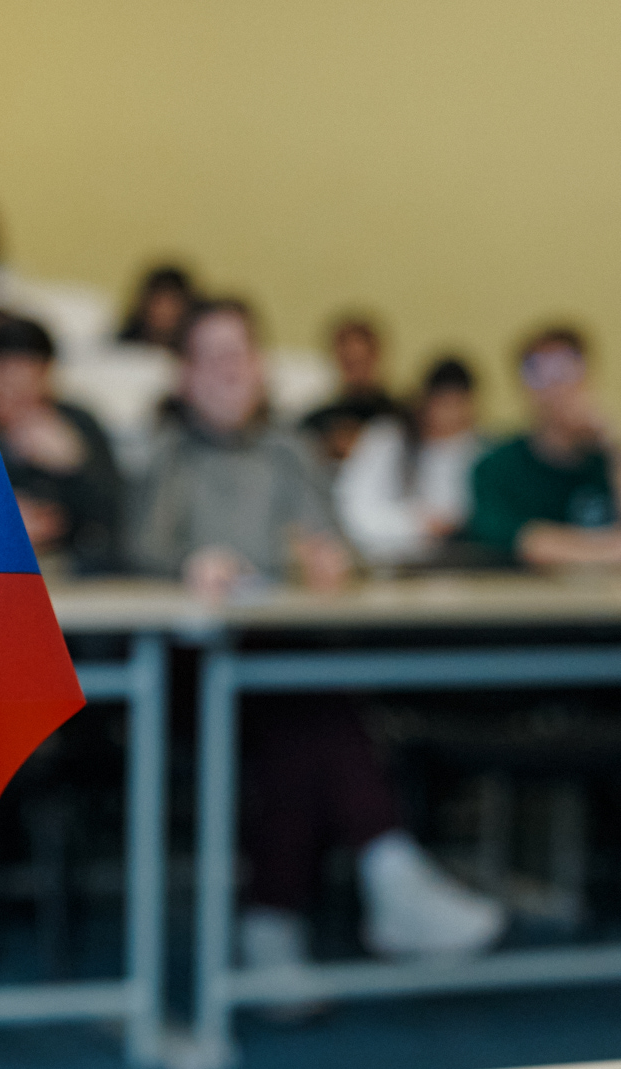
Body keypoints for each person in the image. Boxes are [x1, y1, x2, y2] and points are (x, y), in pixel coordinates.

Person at [134, 297, 504, 985]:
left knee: (300, 719)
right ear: (184, 374)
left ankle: (276, 925)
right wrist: (187, 567)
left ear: (261, 366)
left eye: (241, 354)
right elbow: (132, 554)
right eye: (212, 358)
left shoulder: (290, 453)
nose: (230, 371)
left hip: (282, 656)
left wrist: (331, 561)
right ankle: (378, 875)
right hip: (189, 668)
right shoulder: (167, 458)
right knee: (313, 710)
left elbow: (336, 542)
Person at [465, 326, 621, 569]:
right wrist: (608, 552)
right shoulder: (495, 467)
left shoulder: (609, 460)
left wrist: (616, 446)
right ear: (524, 386)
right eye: (538, 372)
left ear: (587, 376)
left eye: (566, 369)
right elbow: (516, 540)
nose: (555, 386)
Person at [0, 312, 124, 575]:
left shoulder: (78, 424)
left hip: (69, 572)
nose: (18, 399)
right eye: (8, 385)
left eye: (28, 385)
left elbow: (117, 520)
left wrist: (74, 464)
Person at [334, 355, 485, 567]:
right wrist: (415, 523)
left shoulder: (479, 451)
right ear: (426, 401)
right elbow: (353, 510)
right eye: (445, 404)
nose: (451, 415)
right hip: (384, 564)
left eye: (459, 404)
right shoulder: (386, 440)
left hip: (456, 566)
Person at [301, 314, 404, 460]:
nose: (355, 371)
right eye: (348, 362)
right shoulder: (317, 422)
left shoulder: (400, 418)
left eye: (360, 361)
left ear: (375, 356)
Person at [116, 264, 197, 348]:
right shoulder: (126, 346)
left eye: (171, 302)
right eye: (159, 302)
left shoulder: (195, 343)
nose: (164, 311)